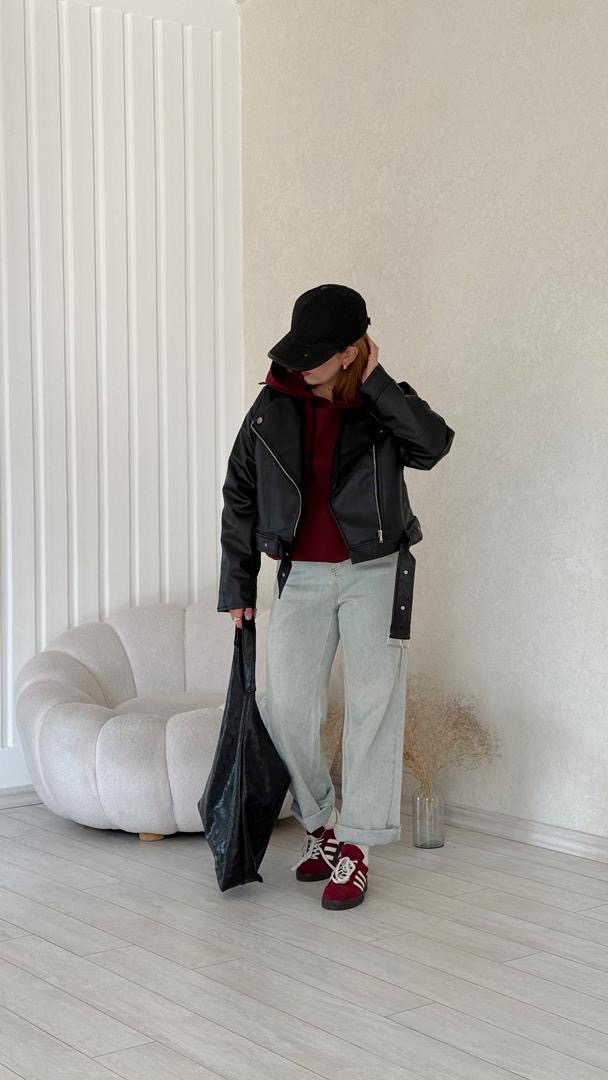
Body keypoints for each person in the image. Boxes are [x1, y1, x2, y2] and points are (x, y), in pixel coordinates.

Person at [217, 284, 455, 911]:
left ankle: (358, 846)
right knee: (286, 708)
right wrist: (238, 582)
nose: (300, 363)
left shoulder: (383, 404)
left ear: (351, 352)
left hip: (376, 570)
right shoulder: (273, 404)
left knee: (375, 707)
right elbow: (240, 491)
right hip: (300, 574)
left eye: (316, 353)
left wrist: (377, 384)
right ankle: (321, 823)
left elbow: (433, 445)